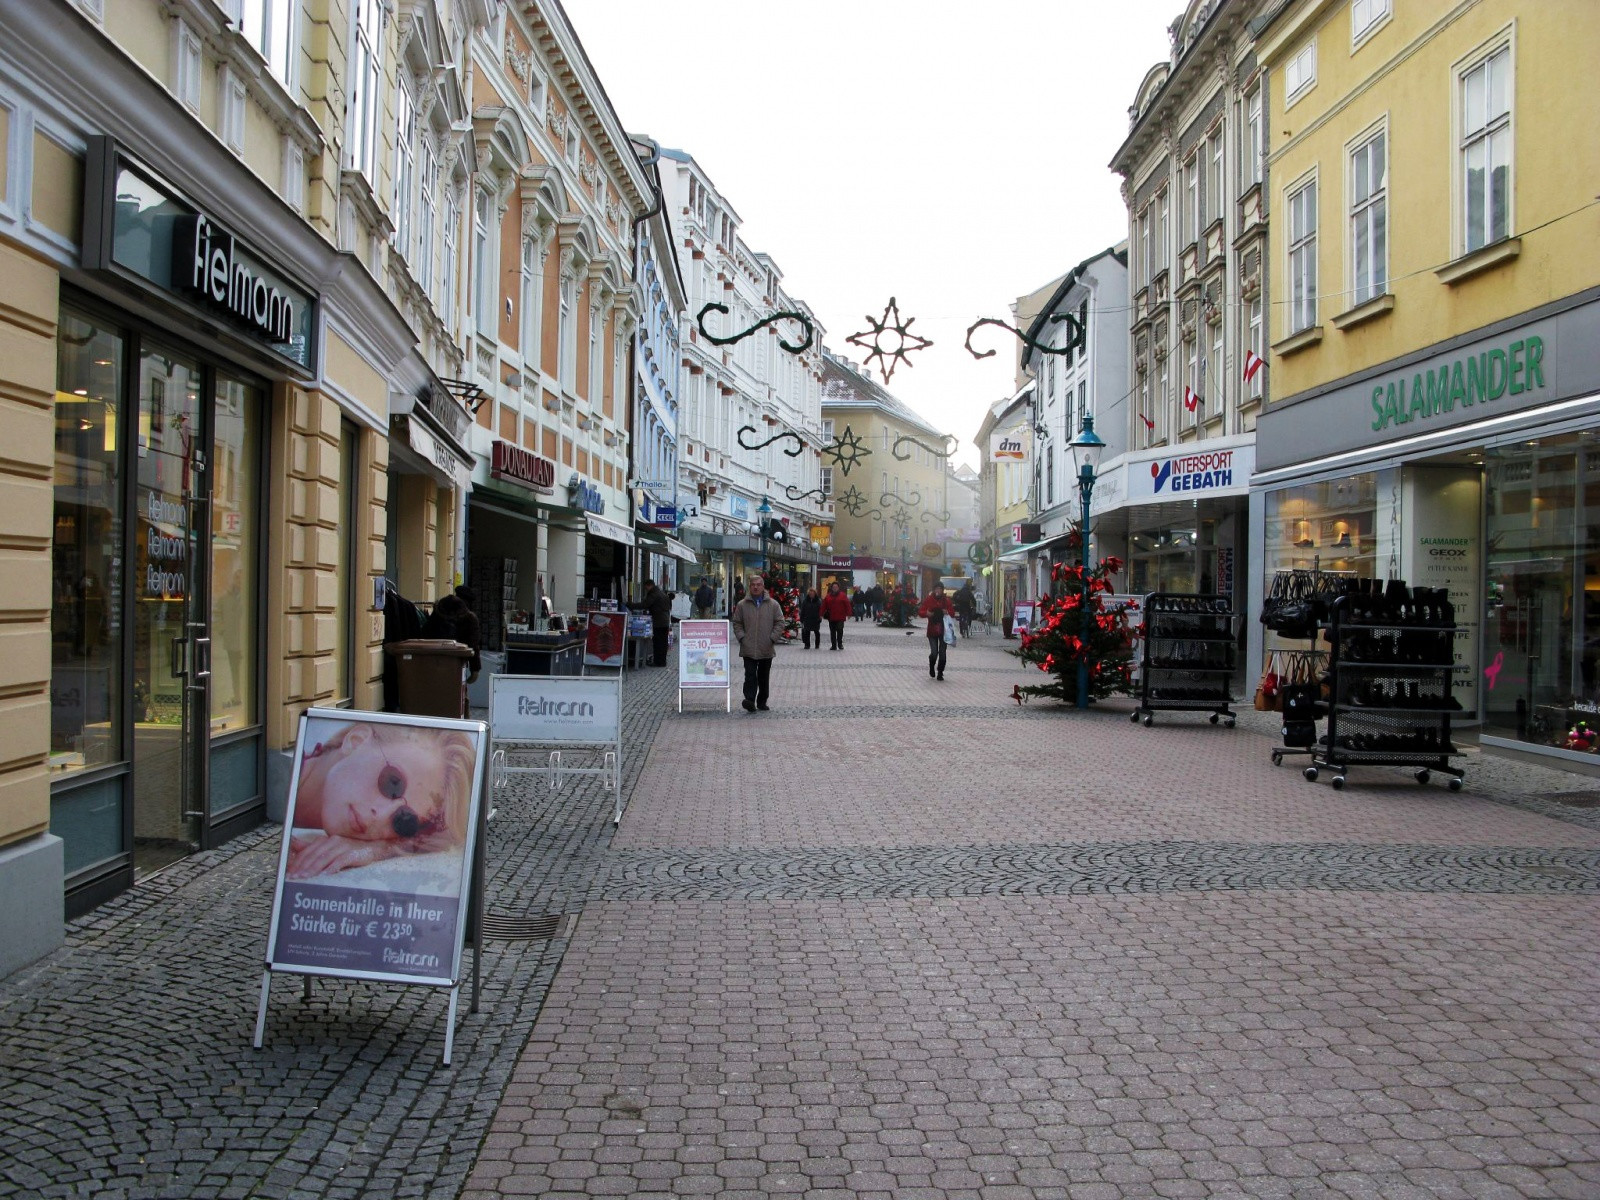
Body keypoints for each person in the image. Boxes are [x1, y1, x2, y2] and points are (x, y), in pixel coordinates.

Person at [286, 721, 477, 879]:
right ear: (356, 741)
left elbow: (443, 837)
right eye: (392, 783)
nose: (381, 815)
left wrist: (382, 849)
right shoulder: (265, 780)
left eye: (403, 821)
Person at [731, 575, 781, 712]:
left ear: (763, 586)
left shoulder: (773, 604)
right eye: (753, 584)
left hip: (766, 647)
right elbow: (737, 623)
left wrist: (772, 638)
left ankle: (762, 701)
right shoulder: (742, 605)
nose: (755, 587)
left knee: (763, 677)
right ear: (749, 586)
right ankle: (749, 700)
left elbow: (780, 622)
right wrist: (742, 638)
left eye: (758, 584)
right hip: (748, 647)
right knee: (750, 675)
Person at [421, 589, 482, 683]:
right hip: (457, 664)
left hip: (432, 661)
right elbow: (473, 645)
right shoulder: (470, 618)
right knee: (454, 692)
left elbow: (424, 635)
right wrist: (475, 669)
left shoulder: (438, 612)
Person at [919, 582, 957, 681]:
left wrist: (947, 612)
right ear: (934, 590)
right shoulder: (929, 599)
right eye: (936, 589)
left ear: (942, 590)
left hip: (944, 631)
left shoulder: (946, 601)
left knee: (942, 652)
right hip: (932, 630)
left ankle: (940, 672)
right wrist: (927, 613)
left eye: (940, 589)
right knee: (934, 652)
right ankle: (931, 666)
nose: (938, 591)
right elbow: (921, 611)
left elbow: (953, 613)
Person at [636, 580, 673, 666]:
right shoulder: (662, 593)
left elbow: (645, 605)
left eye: (646, 588)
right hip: (665, 621)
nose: (646, 590)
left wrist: (630, 605)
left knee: (657, 643)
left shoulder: (653, 594)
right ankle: (662, 661)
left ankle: (657, 662)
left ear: (649, 586)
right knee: (663, 643)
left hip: (658, 622)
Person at [821, 580, 852, 650]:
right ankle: (834, 645)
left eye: (836, 587)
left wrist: (849, 613)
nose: (835, 588)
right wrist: (821, 614)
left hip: (840, 616)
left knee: (840, 630)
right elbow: (824, 606)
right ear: (831, 588)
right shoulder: (828, 596)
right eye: (833, 587)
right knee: (832, 631)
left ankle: (840, 643)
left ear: (838, 588)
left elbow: (847, 605)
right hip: (831, 617)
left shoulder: (843, 595)